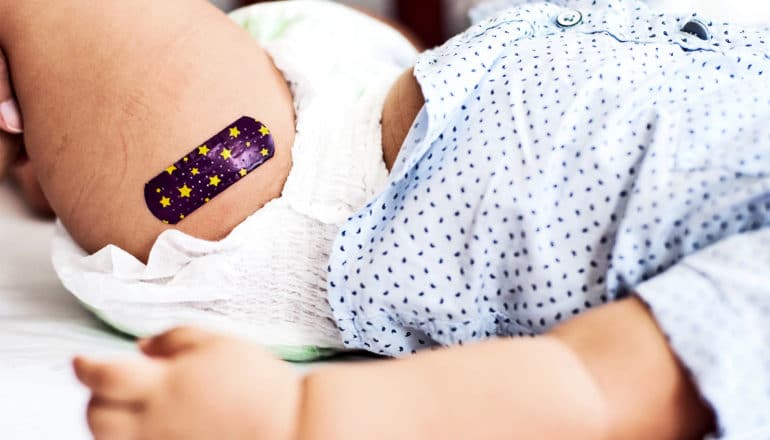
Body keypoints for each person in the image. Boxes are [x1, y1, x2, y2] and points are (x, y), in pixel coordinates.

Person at [2, 0, 769, 438]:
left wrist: (294, 418)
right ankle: (58, 138)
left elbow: (587, 390)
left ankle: (80, 138)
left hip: (270, 190)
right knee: (66, 79)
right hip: (387, 70)